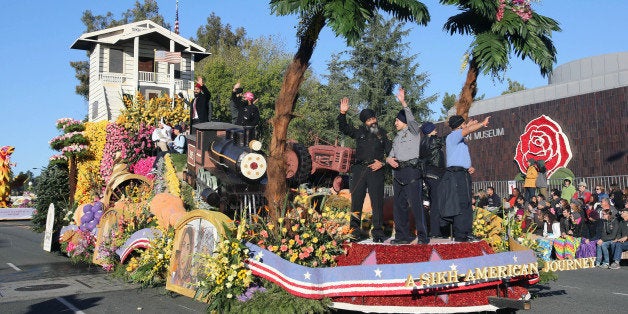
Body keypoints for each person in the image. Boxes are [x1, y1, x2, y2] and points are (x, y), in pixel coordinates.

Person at [338, 97, 391, 243]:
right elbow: (343, 128)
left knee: (377, 202)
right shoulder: (359, 132)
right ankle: (354, 231)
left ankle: (378, 233)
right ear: (365, 123)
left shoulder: (383, 134)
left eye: (374, 118)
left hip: (376, 170)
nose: (373, 121)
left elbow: (392, 153)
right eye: (369, 120)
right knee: (356, 201)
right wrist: (343, 113)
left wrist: (382, 163)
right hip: (359, 169)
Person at [439, 114, 490, 242]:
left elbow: (466, 130)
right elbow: (467, 130)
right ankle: (461, 234)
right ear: (460, 125)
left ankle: (467, 231)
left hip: (463, 173)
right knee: (461, 203)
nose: (466, 125)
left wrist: (468, 166)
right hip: (456, 175)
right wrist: (482, 124)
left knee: (467, 202)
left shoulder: (459, 138)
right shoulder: (453, 136)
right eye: (464, 123)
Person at [386, 87, 427, 245]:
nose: (395, 123)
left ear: (403, 121)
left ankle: (423, 237)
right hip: (398, 173)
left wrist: (403, 102)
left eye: (397, 120)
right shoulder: (396, 138)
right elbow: (390, 154)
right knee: (399, 206)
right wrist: (388, 160)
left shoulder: (414, 131)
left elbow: (411, 119)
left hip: (412, 172)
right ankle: (402, 236)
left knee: (416, 205)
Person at [419, 121, 446, 238]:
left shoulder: (422, 142)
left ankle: (431, 229)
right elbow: (447, 139)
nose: (436, 130)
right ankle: (435, 232)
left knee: (431, 202)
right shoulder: (433, 140)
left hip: (427, 174)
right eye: (434, 129)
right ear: (429, 130)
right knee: (436, 203)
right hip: (435, 174)